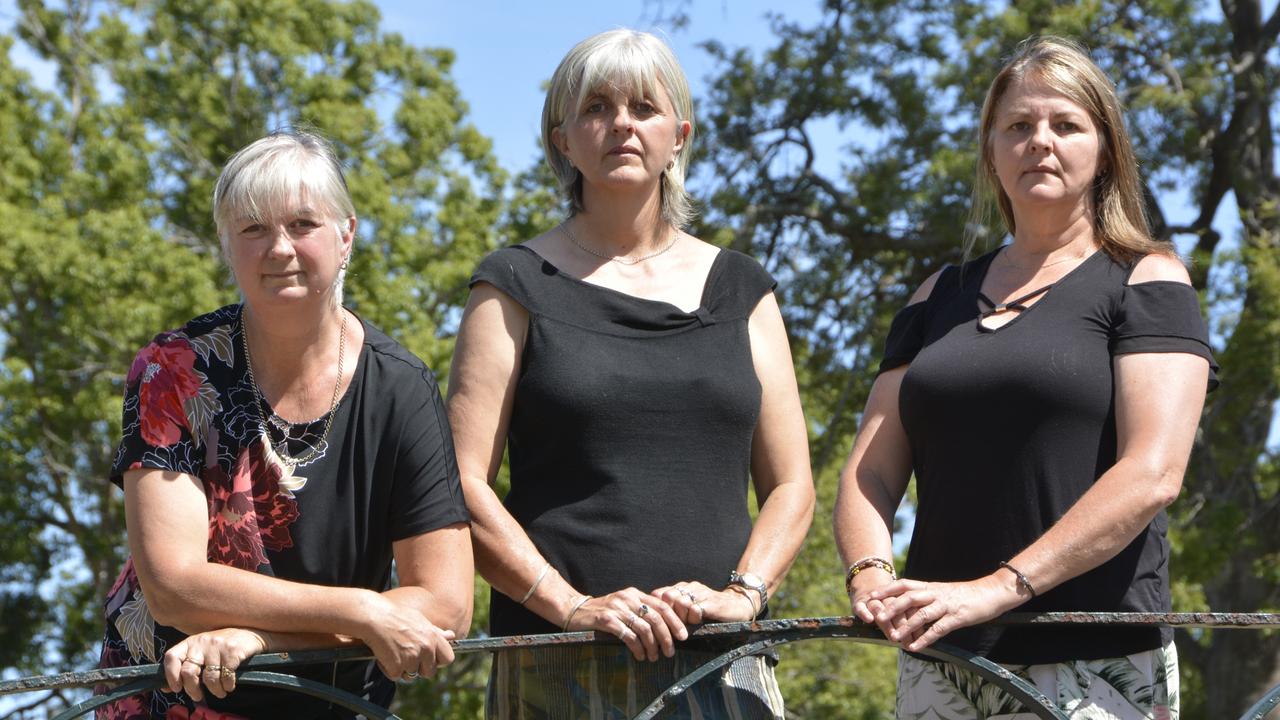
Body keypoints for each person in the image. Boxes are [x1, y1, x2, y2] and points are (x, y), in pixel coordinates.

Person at [833, 36, 1217, 720]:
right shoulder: (936, 296)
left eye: (1066, 125)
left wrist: (998, 587)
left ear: (1105, 151)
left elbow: (1154, 471)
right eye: (1018, 126)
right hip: (944, 658)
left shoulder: (1146, 279)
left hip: (1094, 660)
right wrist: (870, 572)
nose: (1040, 141)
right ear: (990, 151)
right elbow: (871, 470)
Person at [447, 29, 815, 719]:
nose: (621, 123)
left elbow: (792, 485)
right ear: (562, 139)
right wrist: (571, 607)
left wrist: (743, 596)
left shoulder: (744, 290)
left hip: (722, 658)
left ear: (678, 135)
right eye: (596, 108)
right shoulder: (512, 284)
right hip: (557, 661)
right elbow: (460, 484)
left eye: (644, 107)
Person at [94, 130, 473, 719]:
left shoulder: (402, 387)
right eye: (252, 229)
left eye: (302, 224)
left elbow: (447, 605)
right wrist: (364, 611)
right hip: (175, 699)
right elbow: (174, 587)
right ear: (227, 246)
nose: (279, 248)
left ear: (346, 235)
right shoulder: (172, 369)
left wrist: (261, 638)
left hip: (330, 703)